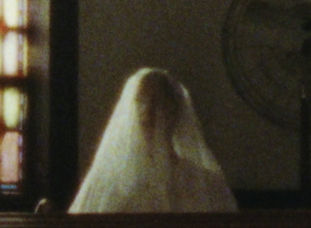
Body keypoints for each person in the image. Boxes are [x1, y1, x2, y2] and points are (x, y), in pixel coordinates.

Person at [69, 68, 238, 214]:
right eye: (143, 101)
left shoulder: (205, 183)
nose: (150, 111)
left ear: (174, 112)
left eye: (158, 103)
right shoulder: (109, 184)